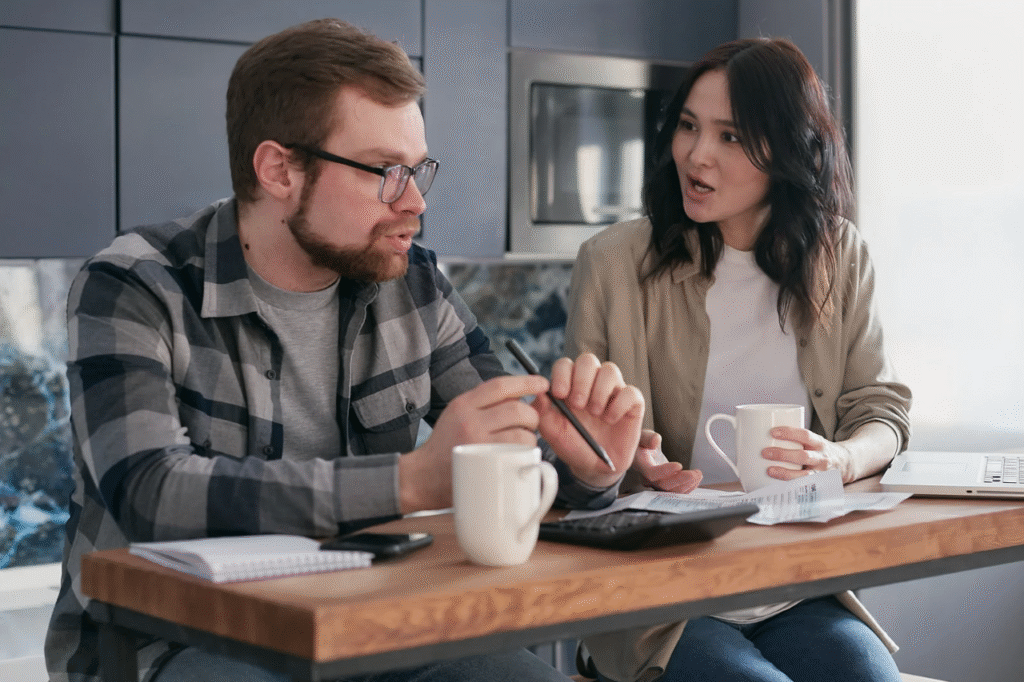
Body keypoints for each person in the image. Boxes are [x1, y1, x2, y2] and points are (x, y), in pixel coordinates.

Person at [45, 18, 645, 682]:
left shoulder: (414, 284)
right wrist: (412, 481)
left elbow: (507, 463)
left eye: (418, 171)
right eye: (385, 172)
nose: (414, 202)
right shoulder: (135, 283)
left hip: (374, 624)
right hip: (183, 641)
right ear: (278, 170)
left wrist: (587, 467)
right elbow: (150, 492)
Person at [565, 38, 912, 682]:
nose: (697, 155)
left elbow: (881, 412)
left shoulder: (841, 256)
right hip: (661, 600)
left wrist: (842, 456)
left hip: (791, 582)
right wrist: (619, 465)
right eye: (690, 127)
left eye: (731, 137)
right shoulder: (613, 264)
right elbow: (572, 457)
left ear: (786, 151)